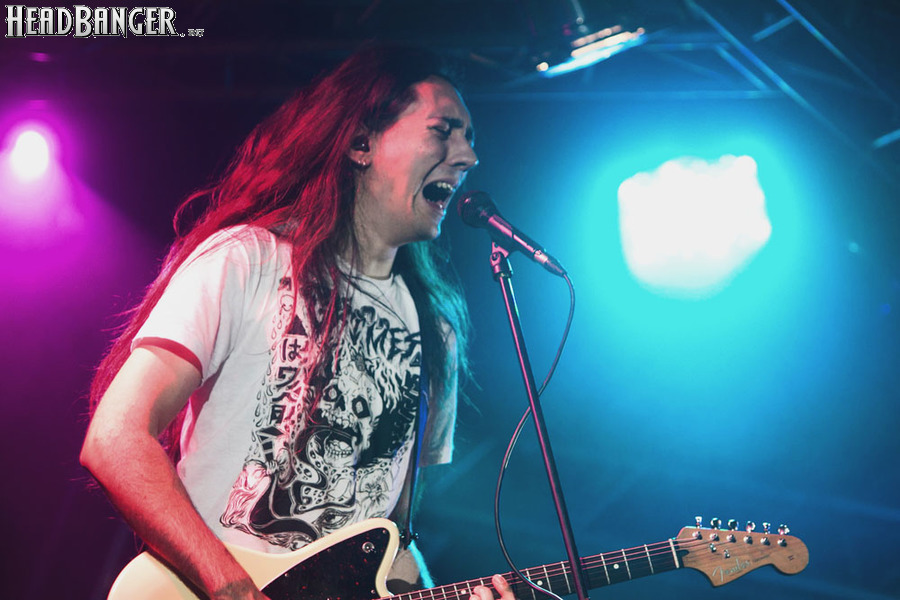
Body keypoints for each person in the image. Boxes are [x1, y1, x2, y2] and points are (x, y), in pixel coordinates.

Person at [80, 45, 517, 600]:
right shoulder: (247, 260)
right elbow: (116, 438)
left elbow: (394, 541)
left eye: (470, 138)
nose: (468, 156)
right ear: (361, 143)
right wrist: (233, 589)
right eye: (443, 130)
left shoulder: (435, 333)